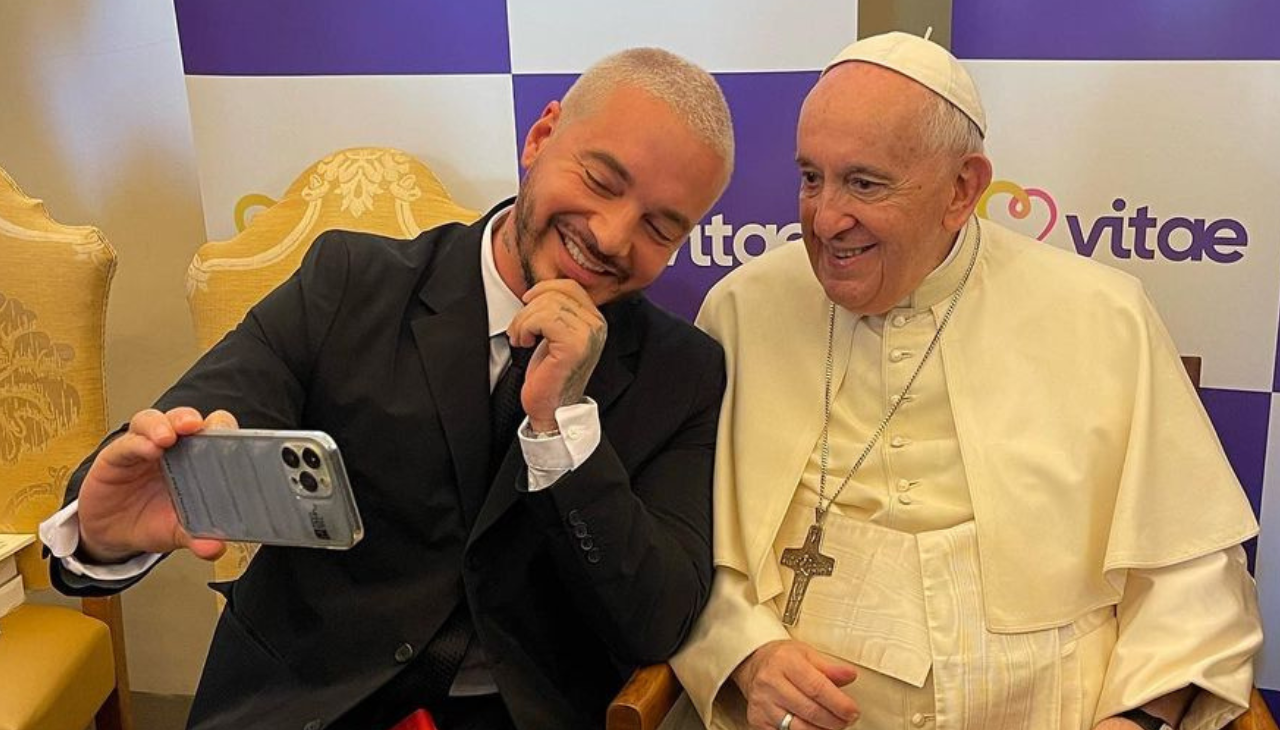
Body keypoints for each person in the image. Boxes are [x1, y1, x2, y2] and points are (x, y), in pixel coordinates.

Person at [39, 47, 734, 730]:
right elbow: (181, 441)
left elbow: (657, 621)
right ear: (542, 136)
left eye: (659, 227)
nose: (612, 237)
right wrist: (104, 536)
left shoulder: (684, 372)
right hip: (310, 699)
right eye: (603, 182)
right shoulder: (350, 282)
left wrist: (563, 424)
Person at [668, 32, 1262, 730]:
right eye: (810, 177)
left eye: (864, 182)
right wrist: (748, 654)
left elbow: (1191, 574)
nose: (826, 219)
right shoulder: (742, 309)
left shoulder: (1103, 314)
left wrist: (1137, 719)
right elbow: (679, 544)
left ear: (962, 189)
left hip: (1050, 712)